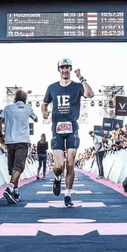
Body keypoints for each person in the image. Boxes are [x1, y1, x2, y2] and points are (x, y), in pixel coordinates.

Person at [41, 58, 94, 207]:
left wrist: (81, 77)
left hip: (72, 126)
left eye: (67, 68)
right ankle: (57, 178)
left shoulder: (77, 86)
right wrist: (44, 112)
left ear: (70, 69)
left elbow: (90, 94)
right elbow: (44, 104)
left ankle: (68, 195)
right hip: (57, 127)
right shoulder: (52, 87)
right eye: (62, 68)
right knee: (58, 166)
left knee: (70, 163)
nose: (65, 70)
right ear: (58, 70)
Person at [0, 89, 38, 204]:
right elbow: (36, 119)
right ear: (25, 99)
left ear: (15, 98)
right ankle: (10, 187)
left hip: (10, 141)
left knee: (12, 169)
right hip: (22, 141)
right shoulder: (27, 108)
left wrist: (1, 136)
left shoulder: (8, 108)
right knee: (19, 167)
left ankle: (15, 192)